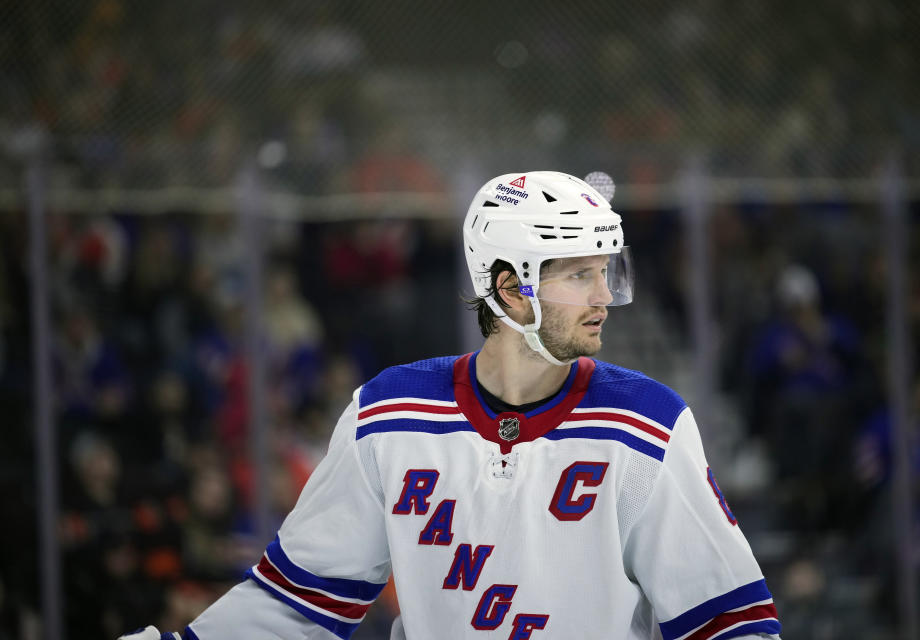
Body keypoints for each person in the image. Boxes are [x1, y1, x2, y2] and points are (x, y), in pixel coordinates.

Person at [122, 171, 781, 640]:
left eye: (606, 272)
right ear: (510, 289)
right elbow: (298, 608)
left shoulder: (646, 426)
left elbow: (731, 624)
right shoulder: (388, 415)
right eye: (579, 274)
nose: (603, 296)